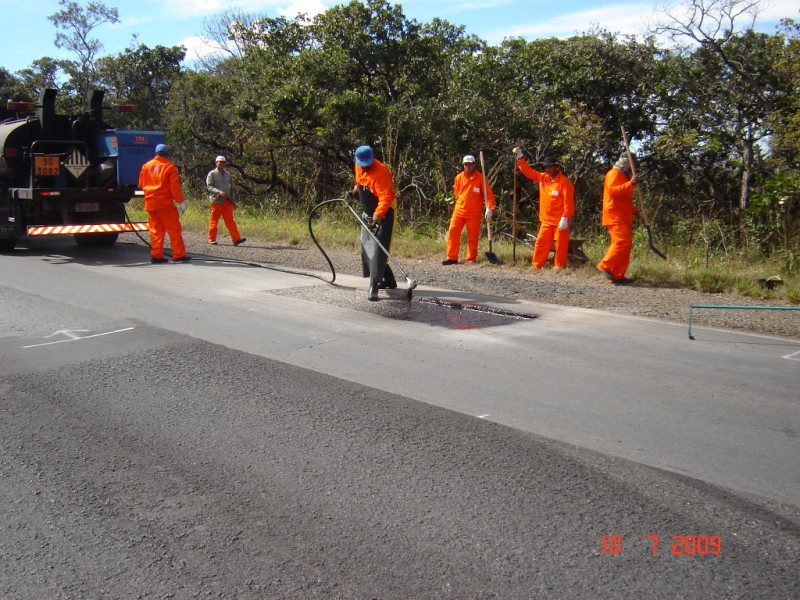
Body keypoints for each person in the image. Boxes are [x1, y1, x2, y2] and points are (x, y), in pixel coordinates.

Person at [512, 148, 574, 270]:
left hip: (560, 220)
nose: (548, 169)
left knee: (560, 244)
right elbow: (528, 171)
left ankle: (559, 266)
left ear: (557, 167)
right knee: (541, 243)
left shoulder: (564, 183)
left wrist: (565, 217)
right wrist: (520, 158)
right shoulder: (543, 178)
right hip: (546, 220)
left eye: (550, 167)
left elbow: (569, 202)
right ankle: (537, 265)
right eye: (546, 167)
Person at [350, 145, 397, 301]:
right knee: (367, 246)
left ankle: (374, 287)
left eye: (367, 163)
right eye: (362, 164)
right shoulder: (358, 166)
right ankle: (388, 279)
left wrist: (378, 215)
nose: (365, 166)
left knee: (378, 248)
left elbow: (385, 197)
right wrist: (355, 190)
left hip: (385, 212)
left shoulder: (382, 172)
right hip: (368, 212)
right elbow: (360, 182)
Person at [138, 143, 190, 264]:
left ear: (156, 153)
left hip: (150, 204)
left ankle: (156, 256)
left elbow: (141, 184)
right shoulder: (169, 167)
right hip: (165, 204)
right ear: (167, 154)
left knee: (156, 231)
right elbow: (174, 187)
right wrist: (180, 201)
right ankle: (178, 255)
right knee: (174, 230)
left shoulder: (146, 166)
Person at [443, 154, 495, 265]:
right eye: (465, 165)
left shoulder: (481, 178)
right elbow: (457, 193)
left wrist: (489, 208)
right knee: (453, 232)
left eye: (469, 164)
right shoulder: (459, 178)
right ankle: (452, 257)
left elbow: (489, 195)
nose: (467, 167)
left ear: (474, 165)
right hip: (459, 210)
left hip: (474, 212)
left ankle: (471, 258)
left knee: (473, 236)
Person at [598, 153, 639, 284]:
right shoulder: (614, 173)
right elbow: (614, 192)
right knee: (622, 242)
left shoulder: (624, 176)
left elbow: (624, 198)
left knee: (625, 245)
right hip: (615, 215)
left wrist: (634, 210)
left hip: (623, 215)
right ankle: (605, 265)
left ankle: (617, 275)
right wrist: (631, 184)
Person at [206, 155, 246, 246]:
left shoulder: (228, 175)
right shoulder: (211, 174)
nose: (222, 163)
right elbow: (209, 187)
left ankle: (236, 239)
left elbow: (231, 189)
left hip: (227, 201)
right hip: (216, 201)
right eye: (220, 162)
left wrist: (233, 202)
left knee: (230, 221)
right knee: (214, 221)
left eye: (223, 162)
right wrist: (219, 192)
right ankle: (211, 239)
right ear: (216, 163)